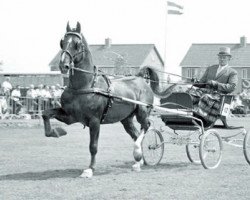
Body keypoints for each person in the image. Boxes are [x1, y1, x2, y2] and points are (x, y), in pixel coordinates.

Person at [190, 47, 238, 125]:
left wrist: (216, 84)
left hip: (219, 96)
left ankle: (202, 118)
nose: (222, 59)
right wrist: (195, 82)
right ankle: (188, 115)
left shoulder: (232, 72)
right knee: (190, 94)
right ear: (218, 57)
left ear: (229, 58)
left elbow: (231, 87)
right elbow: (202, 83)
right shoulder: (210, 68)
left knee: (205, 97)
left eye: (224, 57)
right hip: (205, 92)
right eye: (220, 57)